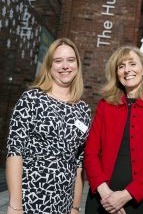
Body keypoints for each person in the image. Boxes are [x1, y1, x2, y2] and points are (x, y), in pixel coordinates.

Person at [84, 45, 143, 214]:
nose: (127, 70)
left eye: (132, 64)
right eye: (121, 66)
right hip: (101, 199)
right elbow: (90, 152)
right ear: (117, 74)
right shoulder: (105, 106)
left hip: (140, 201)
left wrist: (124, 196)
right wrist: (106, 194)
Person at [6, 38, 91, 214]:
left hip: (64, 205)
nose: (65, 66)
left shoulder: (83, 110)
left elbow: (79, 164)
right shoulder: (32, 99)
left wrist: (75, 207)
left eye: (70, 60)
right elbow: (15, 152)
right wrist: (15, 205)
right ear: (50, 66)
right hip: (30, 201)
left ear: (77, 64)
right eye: (58, 61)